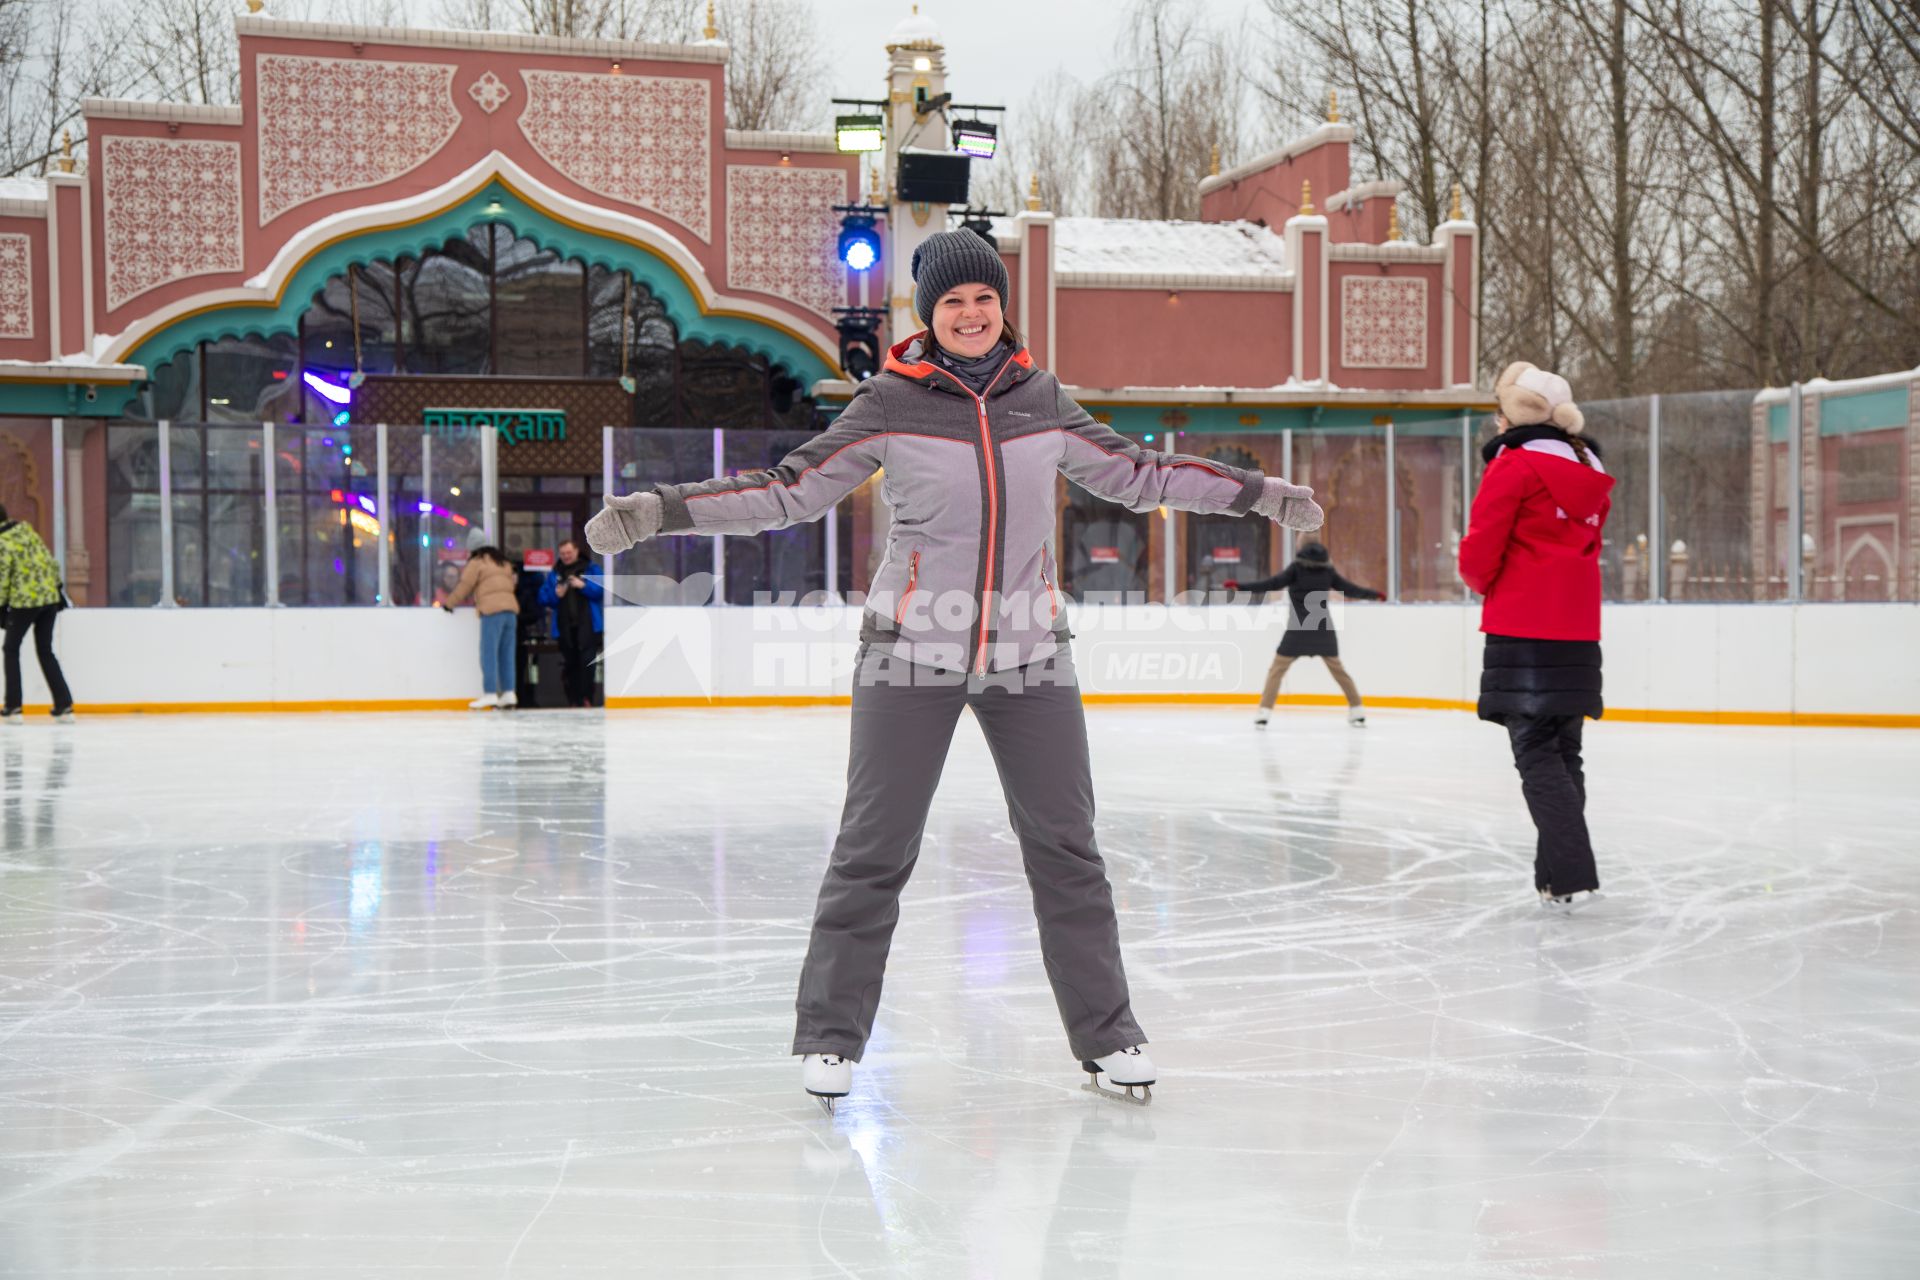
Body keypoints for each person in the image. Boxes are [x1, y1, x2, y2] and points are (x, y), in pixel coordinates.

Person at [584, 228, 1327, 1110]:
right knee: (873, 849)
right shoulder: (890, 403)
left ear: (1001, 305)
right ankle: (830, 1039)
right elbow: (790, 489)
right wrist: (657, 511)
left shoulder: (1042, 400)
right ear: (927, 317)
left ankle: (1109, 1033)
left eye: (983, 299)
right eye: (952, 303)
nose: (971, 314)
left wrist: (1258, 494)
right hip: (909, 654)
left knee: (1067, 850)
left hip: (1030, 658)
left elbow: (1139, 474)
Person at [1458, 362, 1613, 913]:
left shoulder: (1514, 467)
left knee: (1536, 753)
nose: (1497, 424)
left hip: (1523, 628)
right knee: (1563, 751)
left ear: (1516, 416)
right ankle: (1556, 878)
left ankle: (1570, 871)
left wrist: (1481, 580)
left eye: (1501, 413)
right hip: (1577, 629)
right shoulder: (1588, 465)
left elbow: (1480, 552)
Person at [1224, 541, 1381, 728]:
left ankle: (1264, 712)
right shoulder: (1327, 573)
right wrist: (1375, 595)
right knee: (1339, 672)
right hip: (1323, 631)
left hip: (1297, 632)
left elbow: (1271, 583)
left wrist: (1240, 586)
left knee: (1276, 671)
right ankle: (1357, 710)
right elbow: (1350, 589)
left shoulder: (1296, 570)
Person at [0, 504, 74, 722]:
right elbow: (50, 562)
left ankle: (13, 707)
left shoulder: (2, 542)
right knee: (45, 649)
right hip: (49, 599)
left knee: (10, 649)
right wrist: (57, 589)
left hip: (25, 600)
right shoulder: (28, 533)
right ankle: (64, 705)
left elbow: (2, 578)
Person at [440, 527, 520, 711]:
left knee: (489, 653)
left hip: (492, 612)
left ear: (473, 548)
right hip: (510, 612)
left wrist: (449, 604)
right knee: (506, 654)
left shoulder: (477, 562)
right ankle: (509, 693)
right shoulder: (503, 562)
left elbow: (465, 585)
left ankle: (490, 694)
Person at [538, 539, 603, 707]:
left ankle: (587, 697)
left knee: (588, 663)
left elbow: (601, 590)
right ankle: (574, 699)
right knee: (571, 664)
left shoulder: (591, 569)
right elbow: (543, 598)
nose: (566, 556)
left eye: (569, 553)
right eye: (563, 554)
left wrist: (584, 585)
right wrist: (556, 595)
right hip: (564, 628)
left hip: (588, 626)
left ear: (576, 551)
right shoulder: (555, 573)